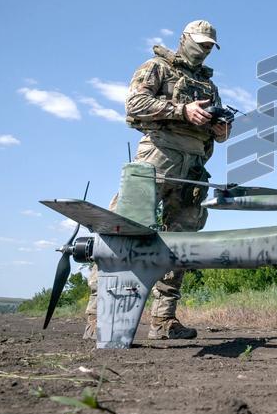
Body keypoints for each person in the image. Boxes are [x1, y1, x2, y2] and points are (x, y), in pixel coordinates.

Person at [84, 20, 230, 340]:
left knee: (181, 243)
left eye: (210, 46)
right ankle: (99, 315)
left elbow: (215, 128)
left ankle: (164, 320)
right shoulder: (157, 67)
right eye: (200, 43)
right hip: (157, 159)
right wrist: (181, 110)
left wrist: (220, 130)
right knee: (122, 229)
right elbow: (134, 104)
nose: (205, 50)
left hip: (193, 169)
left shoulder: (208, 85)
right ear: (184, 39)